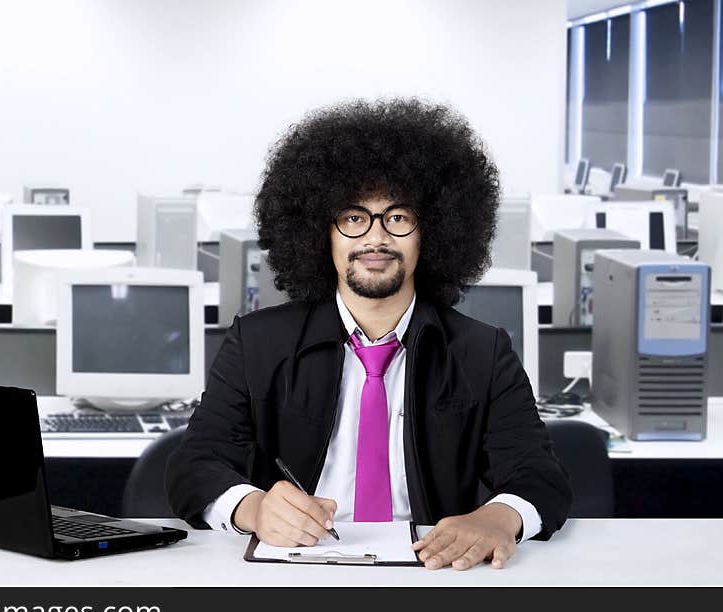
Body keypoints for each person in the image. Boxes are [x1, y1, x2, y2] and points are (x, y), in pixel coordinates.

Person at [166, 98, 571, 570]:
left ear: (433, 233)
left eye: (398, 218)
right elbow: (192, 467)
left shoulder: (482, 352)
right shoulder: (258, 344)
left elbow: (541, 476)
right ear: (323, 233)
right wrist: (253, 508)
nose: (375, 238)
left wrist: (499, 517)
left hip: (435, 575)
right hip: (294, 571)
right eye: (354, 218)